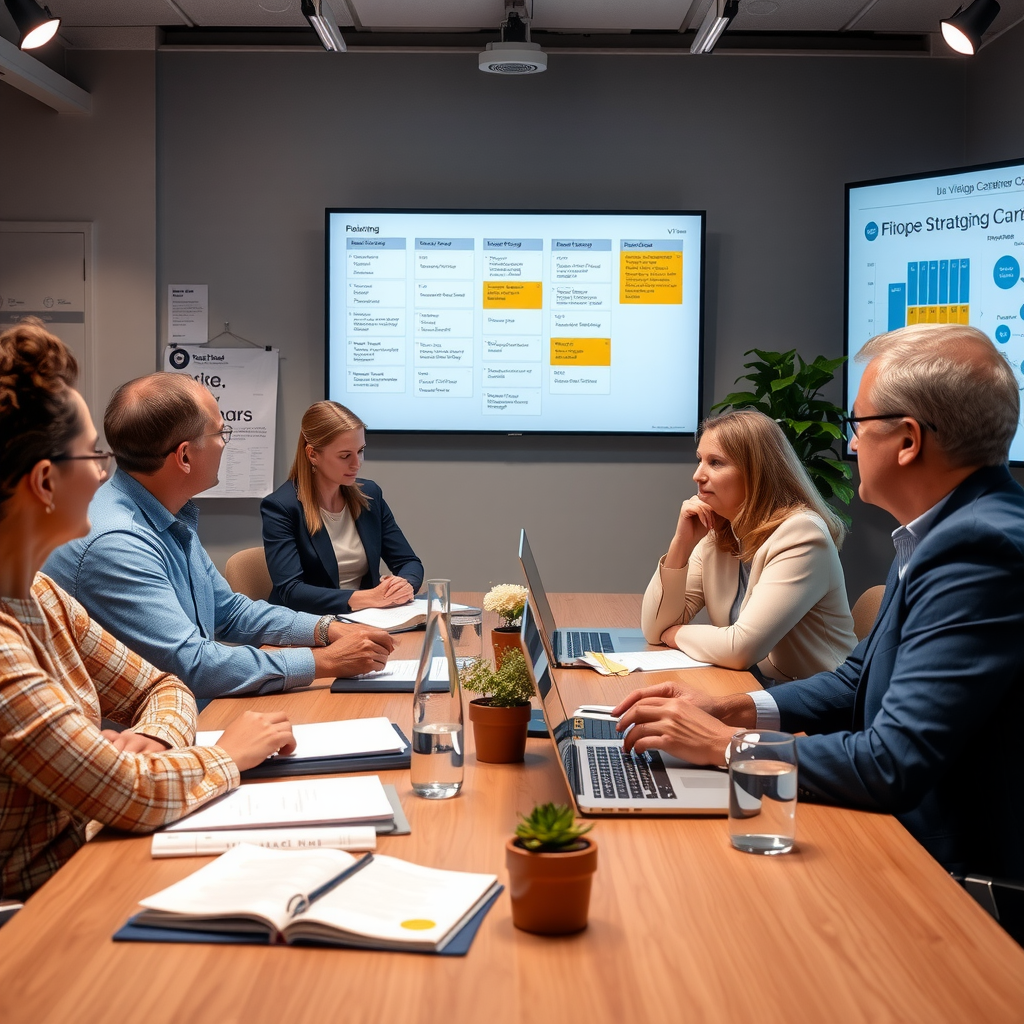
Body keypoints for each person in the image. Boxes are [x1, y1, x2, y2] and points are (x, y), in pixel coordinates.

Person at [615, 323, 1024, 878]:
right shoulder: (939, 531)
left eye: (858, 424)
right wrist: (731, 708)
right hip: (897, 825)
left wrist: (729, 745)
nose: (850, 443)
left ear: (908, 440)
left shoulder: (979, 547)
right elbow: (856, 679)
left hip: (945, 866)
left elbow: (891, 762)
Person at [0, 320, 296, 900]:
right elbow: (131, 793)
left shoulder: (41, 596)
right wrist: (228, 756)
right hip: (37, 914)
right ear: (44, 482)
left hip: (85, 866)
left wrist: (158, 740)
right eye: (93, 455)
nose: (106, 474)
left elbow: (164, 686)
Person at [44, 374, 395, 700]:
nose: (225, 444)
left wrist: (327, 629)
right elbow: (192, 666)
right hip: (137, 738)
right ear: (184, 456)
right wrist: (327, 662)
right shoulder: (118, 543)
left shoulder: (166, 512)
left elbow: (228, 612)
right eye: (220, 434)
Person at [642, 409, 856, 683]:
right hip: (751, 688)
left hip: (816, 705)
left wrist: (673, 633)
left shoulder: (802, 534)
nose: (698, 475)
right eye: (700, 461)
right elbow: (653, 628)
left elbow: (740, 648)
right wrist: (681, 543)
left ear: (757, 473)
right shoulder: (719, 533)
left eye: (715, 462)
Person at [261, 401, 423, 616]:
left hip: (366, 618)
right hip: (309, 626)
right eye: (345, 456)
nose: (357, 463)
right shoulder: (281, 507)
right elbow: (292, 591)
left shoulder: (370, 495)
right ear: (312, 454)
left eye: (361, 451)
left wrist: (404, 585)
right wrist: (370, 597)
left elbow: (408, 562)